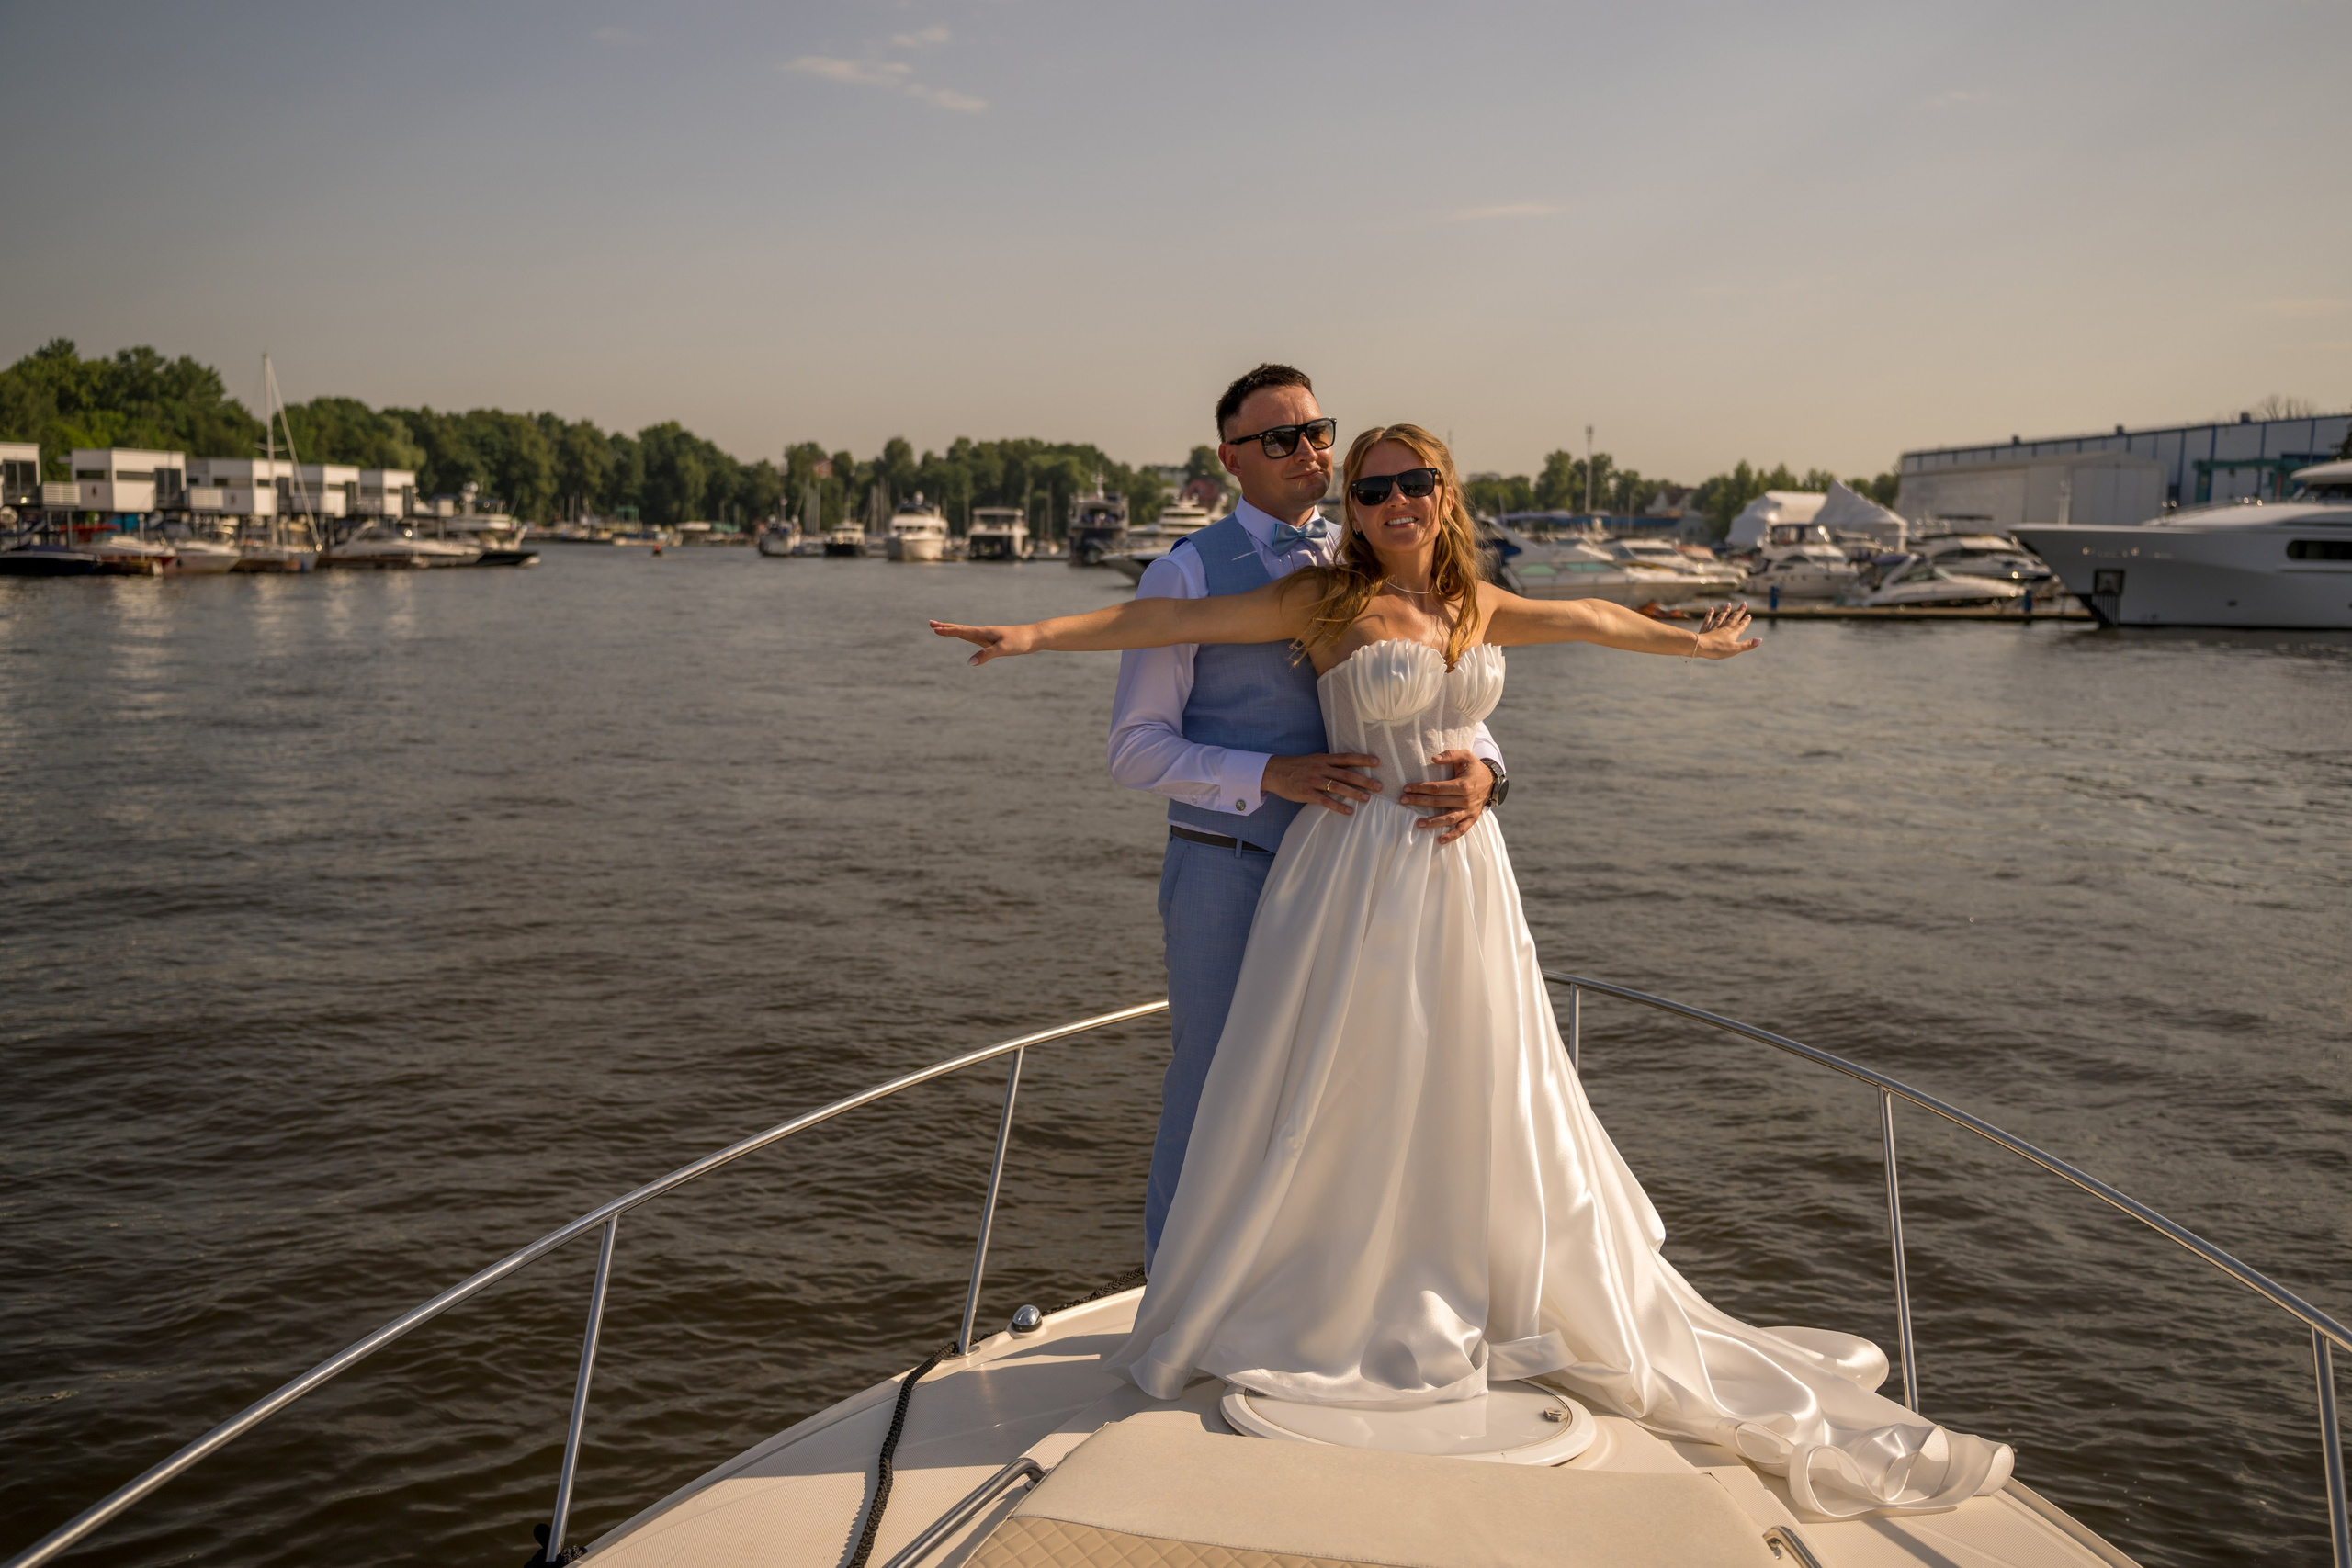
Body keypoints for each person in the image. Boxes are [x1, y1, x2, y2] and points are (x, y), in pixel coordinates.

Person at [929, 422, 2015, 1520]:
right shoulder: (1325, 602)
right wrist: (1032, 636)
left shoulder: (1476, 603)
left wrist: (1689, 648)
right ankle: (1322, 1289)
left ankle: (1468, 1274)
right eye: (1373, 489)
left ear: (1446, 496)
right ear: (1351, 510)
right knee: (1339, 1085)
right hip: (1349, 870)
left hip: (1461, 876)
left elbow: (1591, 617)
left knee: (1476, 1076)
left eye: (1416, 483)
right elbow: (1164, 619)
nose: (1395, 501)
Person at [1106, 365, 1506, 1266]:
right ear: (1229, 460)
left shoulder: (1370, 548)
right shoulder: (1185, 570)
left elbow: (1451, 693)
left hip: (1363, 875)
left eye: (1318, 432)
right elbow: (1134, 748)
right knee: (1216, 1088)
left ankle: (1293, 1294)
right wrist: (1268, 773)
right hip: (1230, 866)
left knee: (1342, 1093)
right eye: (1279, 438)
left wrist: (1485, 774)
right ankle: (1176, 1297)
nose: (1309, 452)